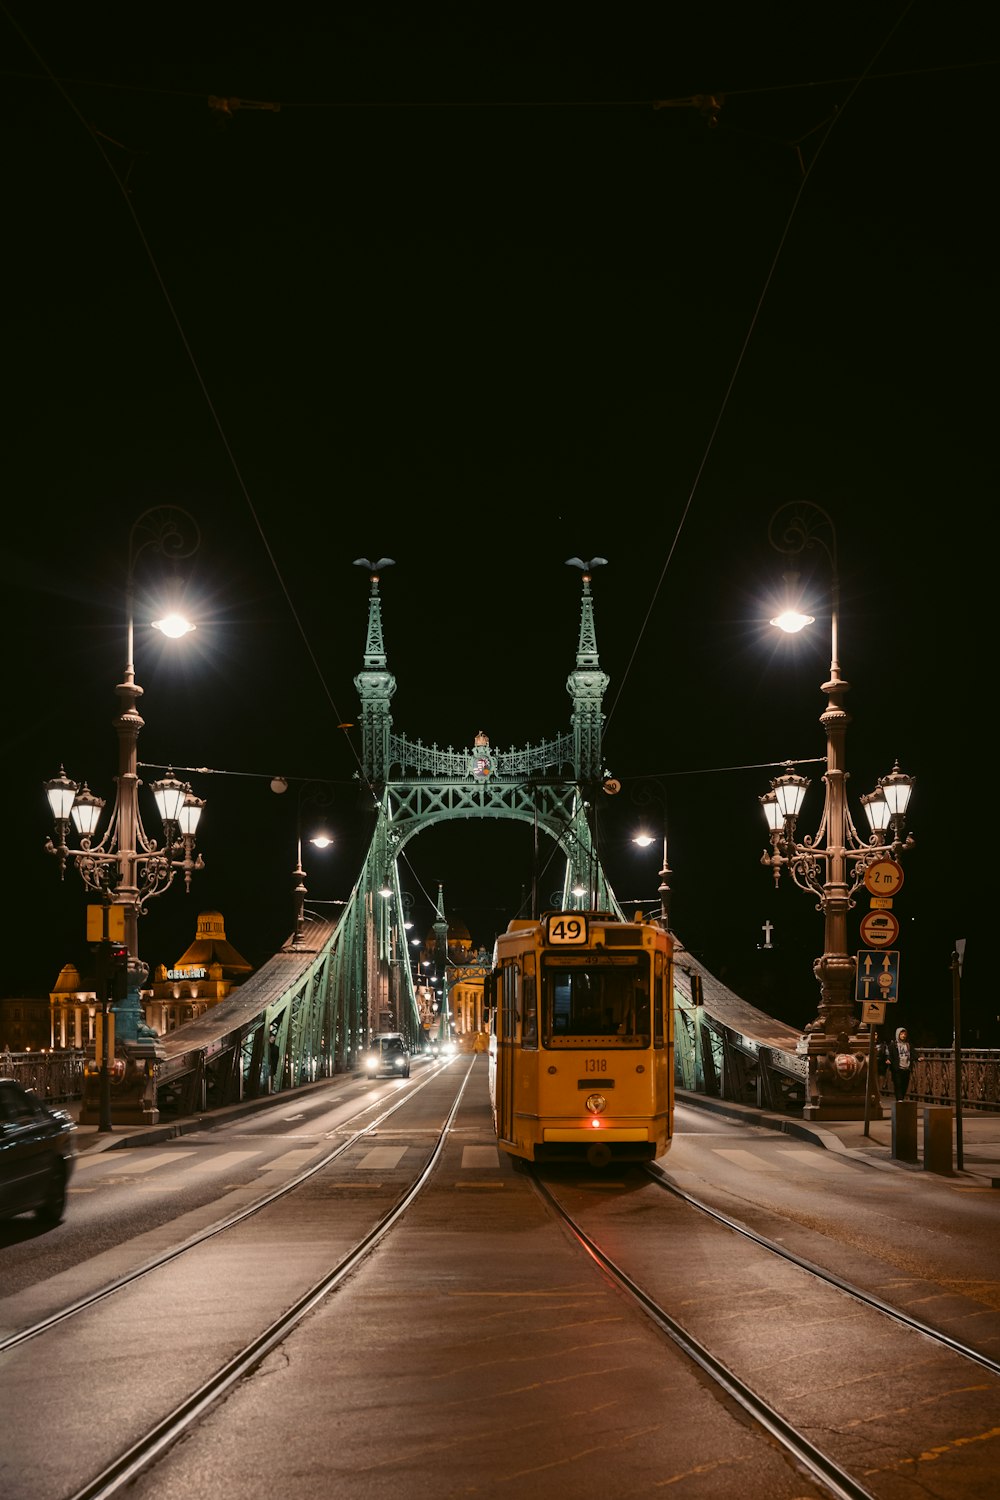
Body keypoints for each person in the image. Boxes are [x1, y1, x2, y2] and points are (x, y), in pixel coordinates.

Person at [887, 1026, 912, 1101]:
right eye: (901, 1034)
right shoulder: (893, 1045)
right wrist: (888, 1060)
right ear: (898, 1035)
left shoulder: (908, 1045)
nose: (903, 1036)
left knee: (905, 1084)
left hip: (906, 1067)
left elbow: (913, 1053)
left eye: (904, 1034)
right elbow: (890, 1054)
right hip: (897, 1068)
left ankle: (902, 1097)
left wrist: (918, 1058)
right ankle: (899, 1099)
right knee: (898, 1083)